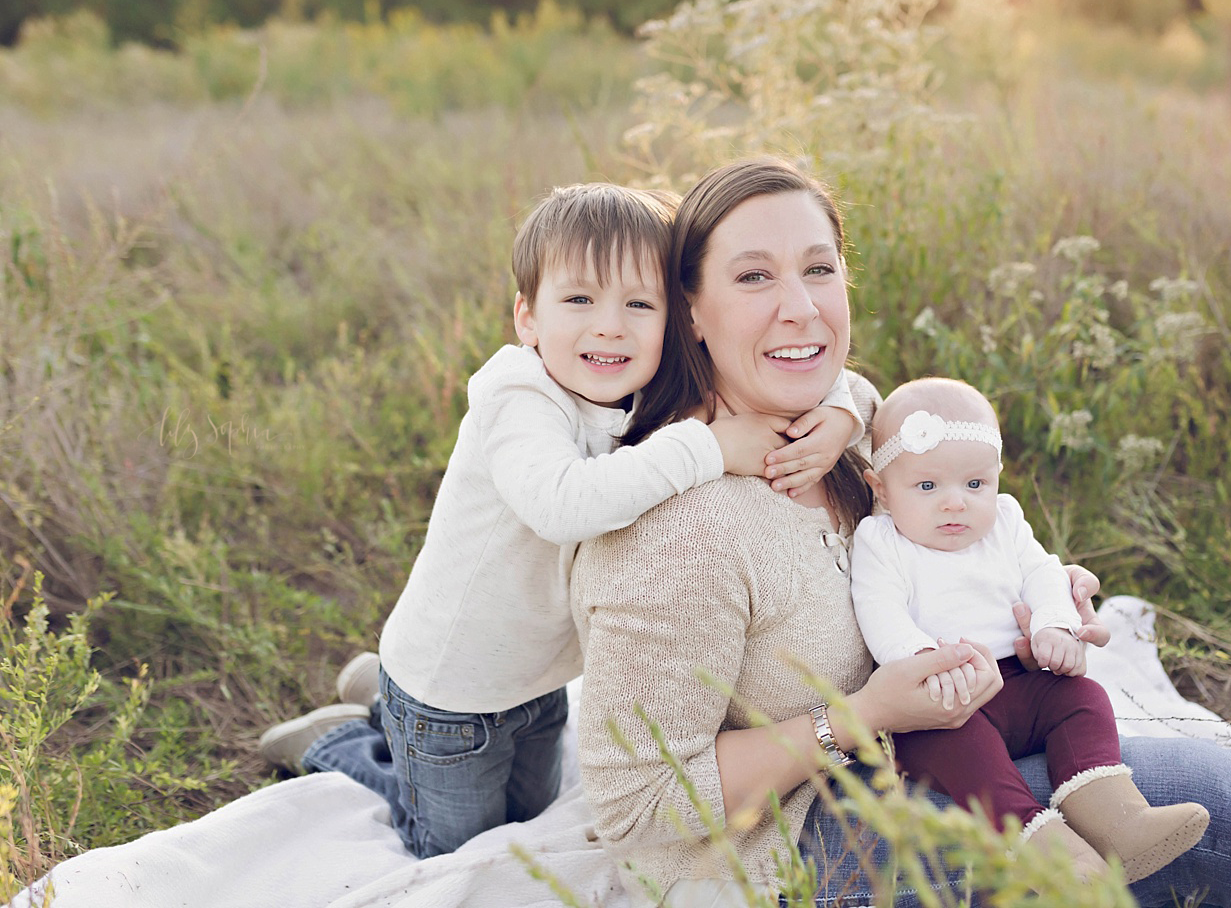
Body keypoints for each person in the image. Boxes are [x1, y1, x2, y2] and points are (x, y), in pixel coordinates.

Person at [570, 156, 1231, 908]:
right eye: (753, 277)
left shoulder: (840, 446)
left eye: (819, 268)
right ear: (690, 308)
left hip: (939, 742)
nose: (801, 306)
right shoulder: (675, 526)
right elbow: (638, 806)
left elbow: (926, 553)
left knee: (1155, 784)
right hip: (810, 849)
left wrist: (1027, 601)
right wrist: (860, 716)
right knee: (1211, 808)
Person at [256, 182, 862, 859]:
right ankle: (343, 742)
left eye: (639, 304)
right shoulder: (519, 397)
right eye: (579, 300)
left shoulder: (633, 383)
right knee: (454, 843)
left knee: (532, 810)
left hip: (537, 677)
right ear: (527, 317)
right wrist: (711, 445)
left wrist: (839, 420)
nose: (610, 325)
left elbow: (826, 376)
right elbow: (562, 505)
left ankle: (379, 697)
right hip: (454, 690)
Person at [850, 376, 1208, 880]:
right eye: (927, 486)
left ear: (997, 476)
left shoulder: (1005, 521)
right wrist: (922, 659)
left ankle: (1118, 819)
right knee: (968, 757)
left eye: (975, 484)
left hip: (1019, 679)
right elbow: (879, 611)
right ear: (882, 491)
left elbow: (1043, 573)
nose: (956, 503)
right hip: (942, 701)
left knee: (1081, 699)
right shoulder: (881, 542)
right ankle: (1046, 849)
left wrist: (1054, 625)